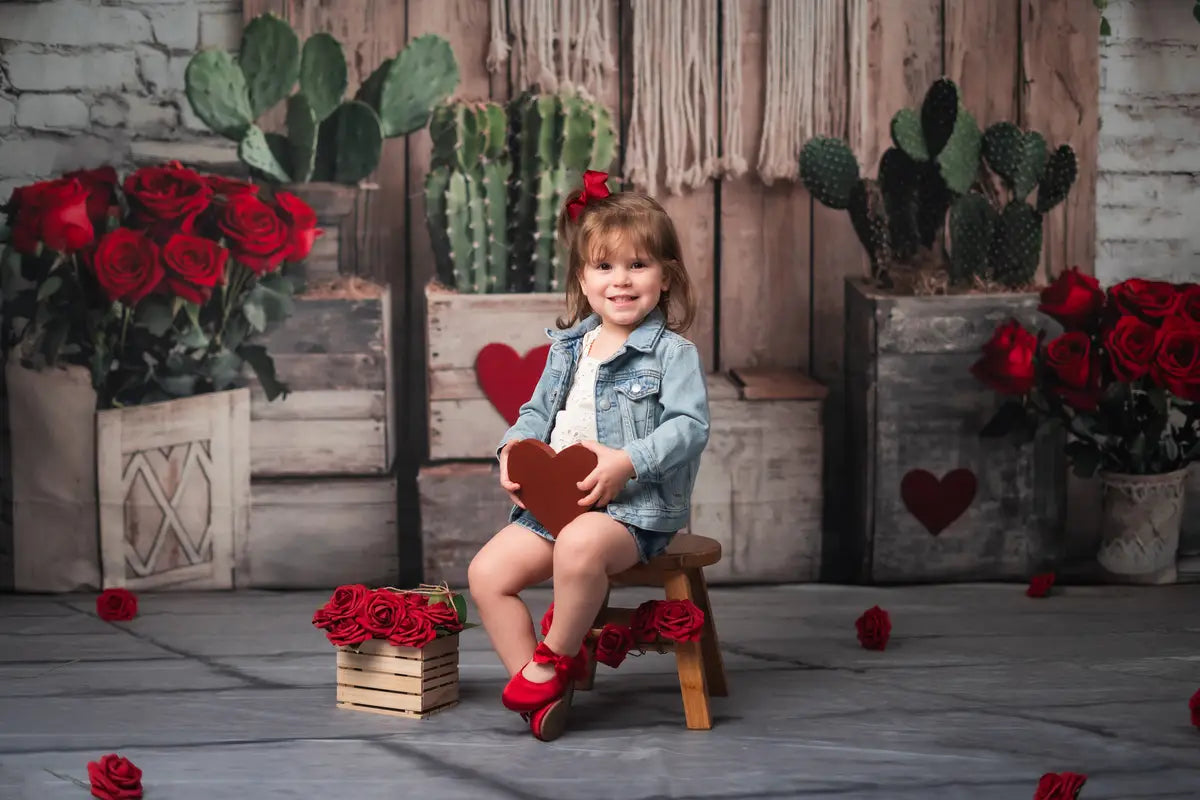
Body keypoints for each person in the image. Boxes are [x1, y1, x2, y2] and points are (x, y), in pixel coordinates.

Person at [467, 169, 711, 741]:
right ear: (583, 276)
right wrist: (512, 451)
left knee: (580, 544)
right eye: (604, 267)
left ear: (667, 276)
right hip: (555, 506)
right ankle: (541, 694)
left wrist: (627, 462)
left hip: (631, 515)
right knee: (486, 575)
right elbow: (535, 415)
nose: (620, 281)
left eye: (637, 265)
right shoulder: (568, 348)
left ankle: (552, 660)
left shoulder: (672, 354)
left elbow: (690, 428)